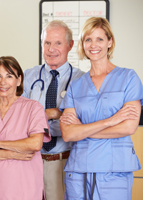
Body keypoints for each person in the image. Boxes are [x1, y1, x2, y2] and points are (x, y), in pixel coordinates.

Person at [60, 17, 143, 200]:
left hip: (114, 172)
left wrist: (82, 130)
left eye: (100, 39)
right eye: (88, 39)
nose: (93, 45)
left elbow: (128, 127)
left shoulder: (128, 78)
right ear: (83, 44)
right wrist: (110, 121)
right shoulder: (76, 85)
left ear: (110, 42)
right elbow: (68, 134)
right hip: (78, 171)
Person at [0, 56, 51, 200]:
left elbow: (35, 144)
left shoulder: (33, 108)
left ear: (19, 80)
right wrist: (13, 153)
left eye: (9, 76)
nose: (3, 82)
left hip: (24, 188)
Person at [23, 20, 84, 200]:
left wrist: (38, 122)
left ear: (70, 45)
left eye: (58, 43)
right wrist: (55, 114)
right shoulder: (27, 76)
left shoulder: (81, 80)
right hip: (30, 161)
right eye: (47, 43)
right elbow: (19, 120)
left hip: (63, 161)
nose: (51, 49)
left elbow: (77, 125)